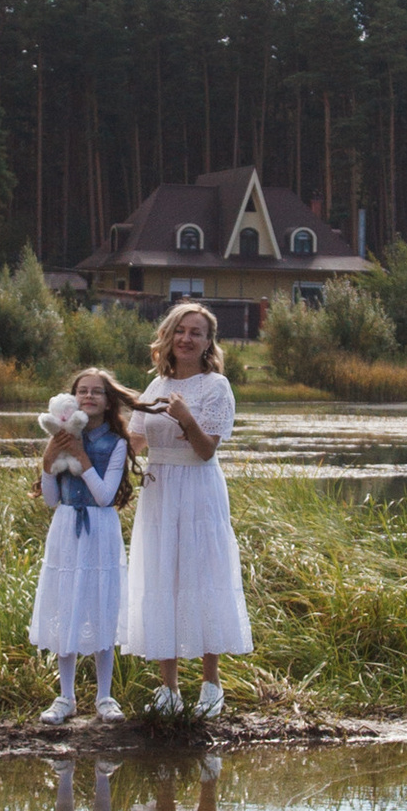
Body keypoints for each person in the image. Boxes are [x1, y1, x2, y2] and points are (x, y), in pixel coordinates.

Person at [124, 302, 252, 714]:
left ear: (208, 342)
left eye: (196, 332)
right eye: (180, 330)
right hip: (160, 492)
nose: (186, 338)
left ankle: (211, 686)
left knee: (203, 575)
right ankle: (169, 691)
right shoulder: (154, 388)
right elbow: (132, 444)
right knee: (163, 575)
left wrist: (184, 418)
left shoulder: (217, 387)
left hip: (199, 490)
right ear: (167, 336)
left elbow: (204, 451)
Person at [29, 365, 140, 725]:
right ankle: (66, 697)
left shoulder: (117, 442)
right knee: (67, 606)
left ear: (109, 402)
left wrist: (82, 457)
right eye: (82, 391)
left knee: (102, 606)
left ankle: (105, 697)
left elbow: (107, 497)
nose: (88, 396)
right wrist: (49, 462)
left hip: (100, 528)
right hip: (66, 528)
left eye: (97, 392)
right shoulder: (60, 434)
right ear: (72, 398)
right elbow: (50, 500)